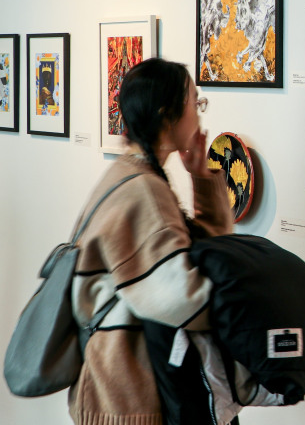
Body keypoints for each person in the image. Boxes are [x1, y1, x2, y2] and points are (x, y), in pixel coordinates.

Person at [68, 59, 233, 425]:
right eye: (195, 101)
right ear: (167, 114)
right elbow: (182, 298)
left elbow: (202, 248)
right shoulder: (143, 189)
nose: (199, 111)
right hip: (126, 397)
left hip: (121, 388)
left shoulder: (134, 173)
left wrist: (201, 176)